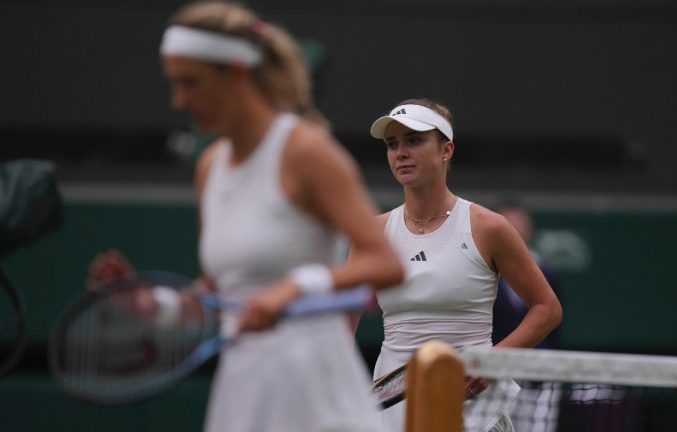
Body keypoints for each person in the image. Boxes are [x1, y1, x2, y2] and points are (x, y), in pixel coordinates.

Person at [89, 1, 404, 431]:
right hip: (243, 385)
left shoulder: (306, 151)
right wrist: (153, 306)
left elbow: (384, 263)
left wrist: (293, 288)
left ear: (236, 73)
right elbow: (220, 290)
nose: (178, 100)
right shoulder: (210, 166)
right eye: (174, 84)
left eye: (191, 83)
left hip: (314, 388)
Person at [352, 98, 562, 432]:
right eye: (392, 144)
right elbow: (344, 325)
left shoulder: (489, 227)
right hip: (393, 409)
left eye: (414, 140)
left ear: (446, 150)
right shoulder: (373, 233)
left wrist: (493, 361)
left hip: (473, 408)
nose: (400, 152)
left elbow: (547, 309)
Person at [492, 201, 561, 348]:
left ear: (530, 228)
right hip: (492, 363)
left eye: (519, 223)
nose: (515, 229)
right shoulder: (485, 273)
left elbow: (553, 325)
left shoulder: (548, 274)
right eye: (508, 224)